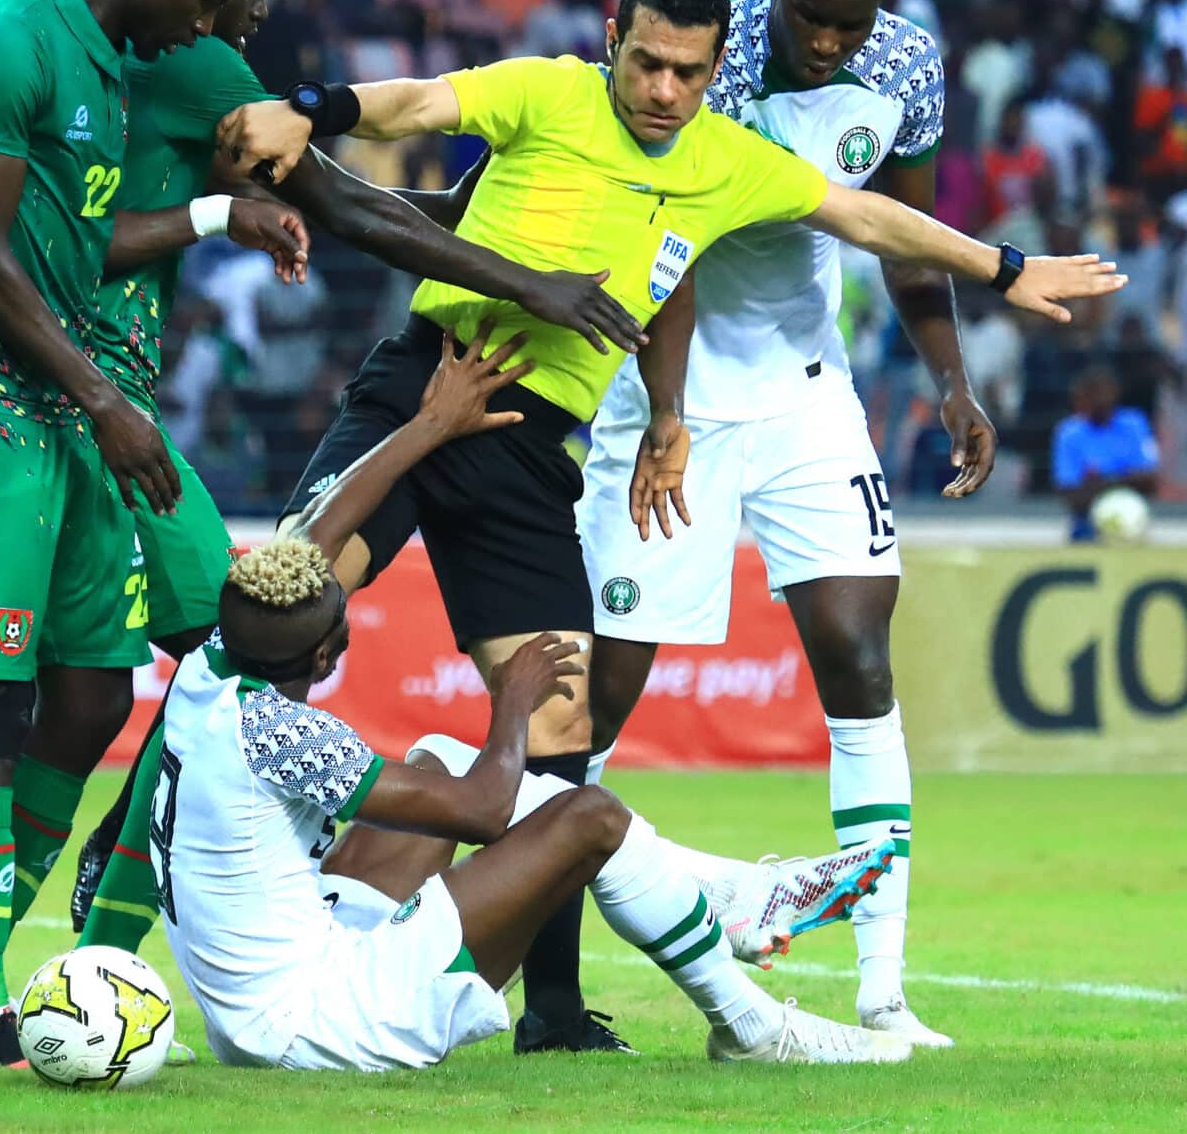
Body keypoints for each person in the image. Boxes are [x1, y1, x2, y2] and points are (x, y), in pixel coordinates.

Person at [216, 0, 1124, 1052]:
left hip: (529, 451)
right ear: (612, 40)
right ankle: (124, 906)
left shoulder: (722, 162)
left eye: (684, 74)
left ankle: (549, 1010)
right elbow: (411, 103)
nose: (659, 91)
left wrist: (1002, 267)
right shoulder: (546, 91)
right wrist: (306, 108)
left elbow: (869, 219)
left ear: (708, 74)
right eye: (644, 62)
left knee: (559, 725)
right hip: (425, 385)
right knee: (273, 618)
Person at [57, 0, 644, 970]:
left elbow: (364, 203)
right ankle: (103, 910)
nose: (259, 8)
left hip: (145, 386)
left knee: (219, 642)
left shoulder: (166, 50)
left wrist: (469, 220)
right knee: (252, 622)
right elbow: (347, 202)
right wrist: (522, 276)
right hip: (93, 384)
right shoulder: (204, 66)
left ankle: (97, 909)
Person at [158, 324, 913, 1070]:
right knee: (587, 814)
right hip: (330, 1019)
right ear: (325, 651)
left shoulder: (209, 670)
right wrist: (513, 701)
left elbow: (321, 534)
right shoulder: (283, 734)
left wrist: (429, 424)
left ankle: (733, 894)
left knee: (436, 759)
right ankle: (749, 1021)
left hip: (261, 998)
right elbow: (486, 811)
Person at [0, 0, 308, 1070]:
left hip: (89, 404)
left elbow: (85, 242)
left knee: (100, 695)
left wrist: (220, 222)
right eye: (215, 0)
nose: (220, 29)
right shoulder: (9, 40)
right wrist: (105, 400)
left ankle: (47, 958)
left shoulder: (128, 68)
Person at [575, 0, 986, 1051]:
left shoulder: (905, 66)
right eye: (808, 15)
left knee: (859, 661)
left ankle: (882, 991)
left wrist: (949, 382)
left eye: (847, 28)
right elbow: (675, 237)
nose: (825, 44)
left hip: (807, 392)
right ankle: (544, 987)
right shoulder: (713, 52)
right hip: (669, 393)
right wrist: (665, 412)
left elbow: (900, 235)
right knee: (599, 699)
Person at [1053, 366, 1160, 542]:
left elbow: (1150, 480)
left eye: (1103, 393)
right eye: (1091, 394)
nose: (1099, 400)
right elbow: (1071, 493)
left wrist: (1100, 481)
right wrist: (1126, 478)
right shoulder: (1069, 432)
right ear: (1080, 398)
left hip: (1135, 512)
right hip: (1086, 521)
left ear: (1115, 393)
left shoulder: (1134, 423)